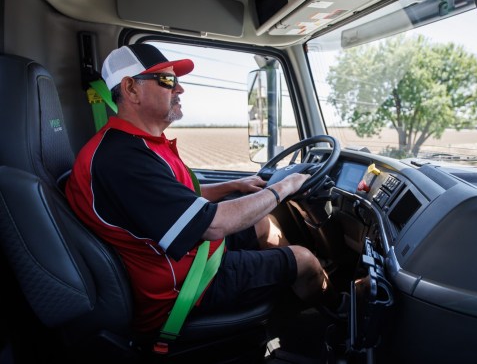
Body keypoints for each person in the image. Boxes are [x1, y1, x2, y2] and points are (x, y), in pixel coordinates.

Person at [65, 43, 337, 334]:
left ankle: (287, 296)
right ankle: (330, 323)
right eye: (168, 81)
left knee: (262, 224)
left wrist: (235, 184)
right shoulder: (122, 160)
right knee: (304, 260)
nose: (179, 89)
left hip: (188, 258)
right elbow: (213, 226)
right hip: (183, 289)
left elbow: (178, 200)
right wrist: (284, 187)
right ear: (131, 89)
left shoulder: (139, 144)